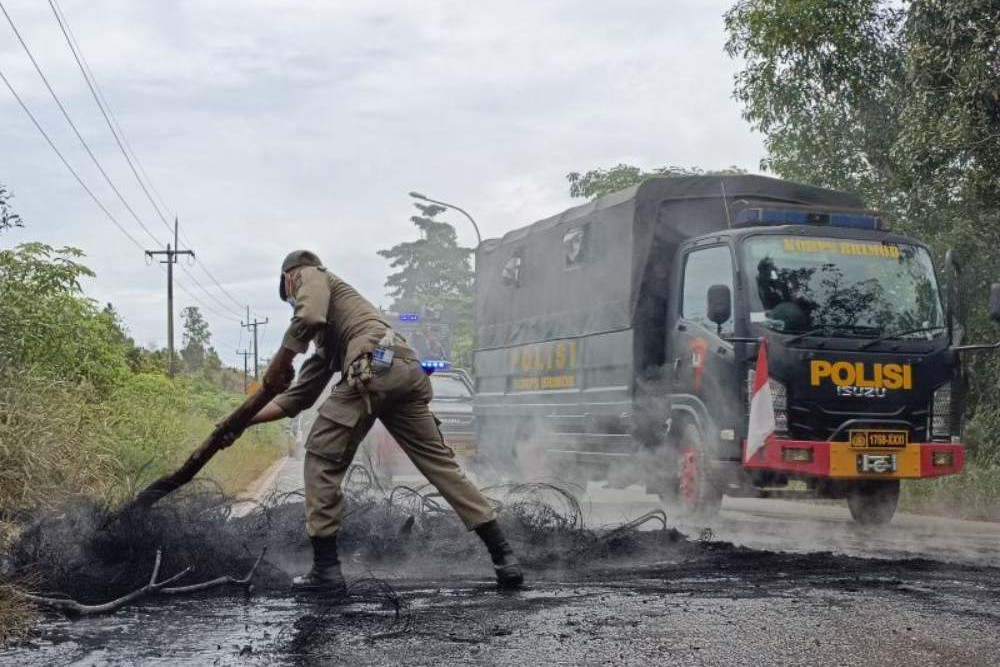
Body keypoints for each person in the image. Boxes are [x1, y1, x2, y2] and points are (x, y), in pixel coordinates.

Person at [225, 250, 523, 594]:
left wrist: (282, 360)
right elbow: (299, 397)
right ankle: (505, 557)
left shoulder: (312, 274)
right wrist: (242, 421)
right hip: (404, 370)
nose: (292, 299)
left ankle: (326, 571)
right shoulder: (333, 333)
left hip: (371, 367)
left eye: (289, 292)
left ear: (290, 276)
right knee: (443, 467)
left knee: (321, 459)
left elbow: (306, 315)